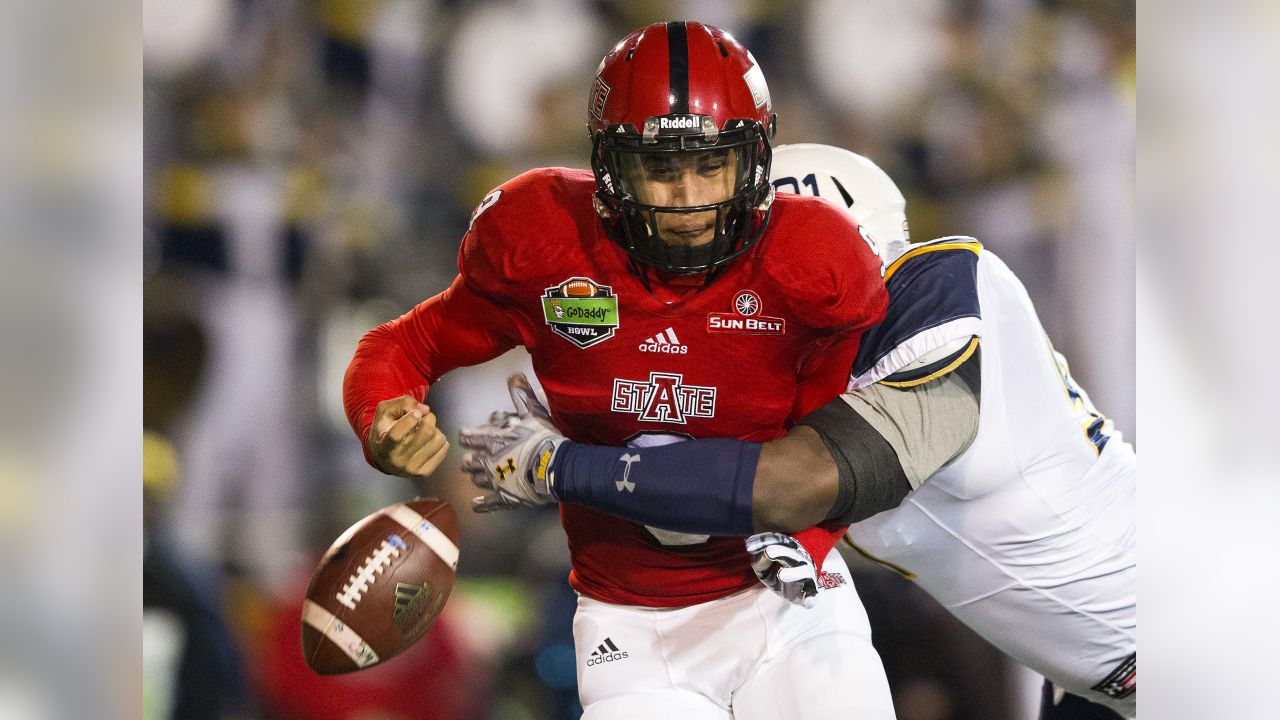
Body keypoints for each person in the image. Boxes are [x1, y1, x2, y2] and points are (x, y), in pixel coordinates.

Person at [460, 143, 1137, 719]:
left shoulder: (943, 285)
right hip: (1098, 673)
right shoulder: (817, 378)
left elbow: (792, 481)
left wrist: (561, 465)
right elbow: (705, 487)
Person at [343, 23, 898, 719]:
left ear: (755, 161)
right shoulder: (547, 240)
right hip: (628, 628)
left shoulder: (810, 258)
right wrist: (382, 413)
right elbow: (404, 344)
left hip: (784, 598)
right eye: (660, 168)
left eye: (711, 164)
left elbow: (846, 444)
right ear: (610, 167)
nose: (688, 197)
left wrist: (812, 537)